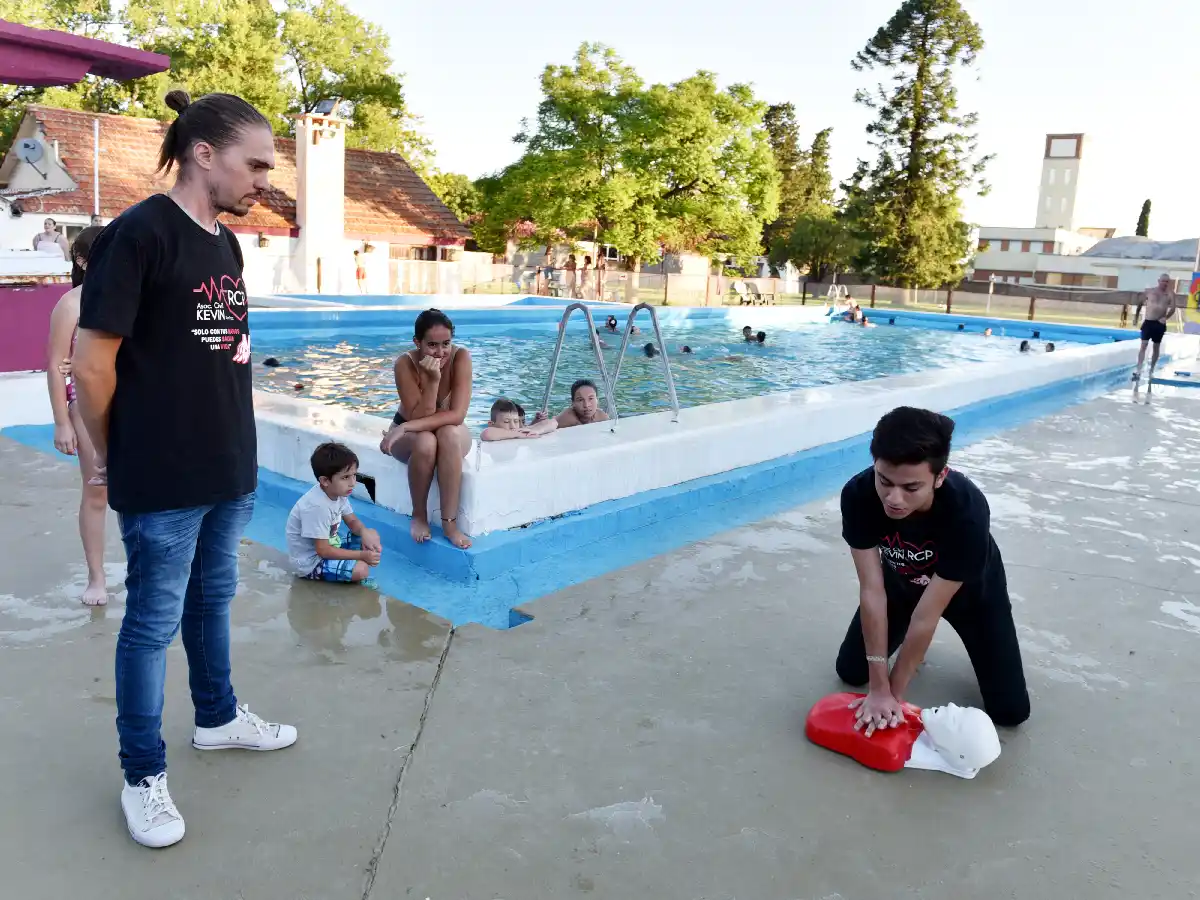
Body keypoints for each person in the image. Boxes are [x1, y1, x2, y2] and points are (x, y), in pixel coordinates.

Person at [72, 90, 295, 850]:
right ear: (205, 153)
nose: (264, 179)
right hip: (162, 472)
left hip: (229, 463)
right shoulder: (140, 235)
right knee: (150, 625)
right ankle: (142, 774)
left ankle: (218, 716)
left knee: (212, 603)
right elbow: (92, 361)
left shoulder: (224, 243)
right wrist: (108, 449)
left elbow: (220, 355)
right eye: (255, 163)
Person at [835, 406, 1030, 735]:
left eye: (911, 488)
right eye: (884, 481)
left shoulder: (967, 511)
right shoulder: (858, 495)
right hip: (902, 585)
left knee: (1010, 712)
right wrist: (878, 688)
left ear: (940, 477)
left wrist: (894, 695)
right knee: (851, 671)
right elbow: (871, 590)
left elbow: (927, 616)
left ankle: (922, 657)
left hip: (972, 596)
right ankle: (905, 657)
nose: (893, 498)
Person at [45, 225, 108, 606]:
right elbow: (55, 365)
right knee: (97, 491)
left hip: (130, 405)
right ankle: (97, 576)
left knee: (142, 492)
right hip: (85, 407)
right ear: (82, 261)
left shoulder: (132, 295)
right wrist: (61, 421)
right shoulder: (71, 303)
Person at [378, 308, 474, 549]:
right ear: (417, 342)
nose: (440, 352)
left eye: (446, 344)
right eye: (432, 345)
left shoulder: (461, 358)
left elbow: (457, 415)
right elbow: (420, 415)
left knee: (449, 433)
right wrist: (432, 381)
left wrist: (406, 427)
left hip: (432, 429)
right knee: (425, 441)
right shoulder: (405, 364)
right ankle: (419, 514)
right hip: (412, 436)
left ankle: (449, 524)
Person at [286, 442, 381, 583]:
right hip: (311, 563)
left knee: (371, 534)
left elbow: (353, 522)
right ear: (325, 481)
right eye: (345, 477)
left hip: (328, 546)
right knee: (361, 570)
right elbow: (323, 551)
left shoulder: (338, 493)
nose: (353, 483)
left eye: (354, 475)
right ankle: (350, 568)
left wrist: (364, 532)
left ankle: (352, 563)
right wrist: (362, 555)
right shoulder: (317, 507)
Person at [1133, 273, 1177, 389]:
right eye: (1163, 281)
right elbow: (1140, 303)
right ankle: (1138, 369)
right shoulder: (1150, 291)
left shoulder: (1170, 294)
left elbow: (1173, 308)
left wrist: (1165, 318)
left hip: (1159, 323)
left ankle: (1151, 369)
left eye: (1167, 281)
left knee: (1156, 346)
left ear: (1169, 282)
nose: (1165, 283)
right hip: (1148, 322)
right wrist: (1136, 318)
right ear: (1159, 281)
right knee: (1144, 345)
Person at [537, 378, 610, 428]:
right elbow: (543, 426)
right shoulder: (567, 417)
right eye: (580, 400)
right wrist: (537, 420)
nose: (586, 405)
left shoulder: (602, 417)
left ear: (597, 399)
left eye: (591, 398)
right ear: (572, 403)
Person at [481, 398, 558, 441]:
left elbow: (553, 422)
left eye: (516, 421)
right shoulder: (494, 433)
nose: (513, 426)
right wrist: (519, 434)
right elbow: (487, 434)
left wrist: (535, 431)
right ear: (491, 424)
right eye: (506, 421)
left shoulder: (522, 430)